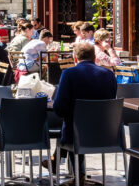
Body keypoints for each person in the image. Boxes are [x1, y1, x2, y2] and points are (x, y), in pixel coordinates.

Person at [50, 42, 117, 181]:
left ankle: (72, 171)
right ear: (94, 58)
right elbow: (110, 102)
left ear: (75, 58)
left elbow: (60, 107)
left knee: (71, 123)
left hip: (76, 134)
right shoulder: (109, 75)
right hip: (106, 133)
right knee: (75, 122)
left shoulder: (69, 73)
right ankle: (74, 172)